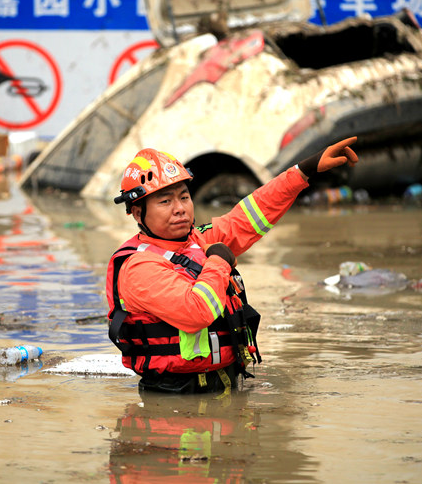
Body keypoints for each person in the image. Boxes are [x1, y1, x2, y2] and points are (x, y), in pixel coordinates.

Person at [107, 138, 358, 394]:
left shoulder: (198, 240)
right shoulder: (137, 266)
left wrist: (304, 170)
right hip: (174, 395)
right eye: (165, 202)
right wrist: (219, 260)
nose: (180, 209)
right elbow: (197, 313)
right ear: (138, 213)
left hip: (224, 383)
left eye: (184, 197)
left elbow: (250, 215)